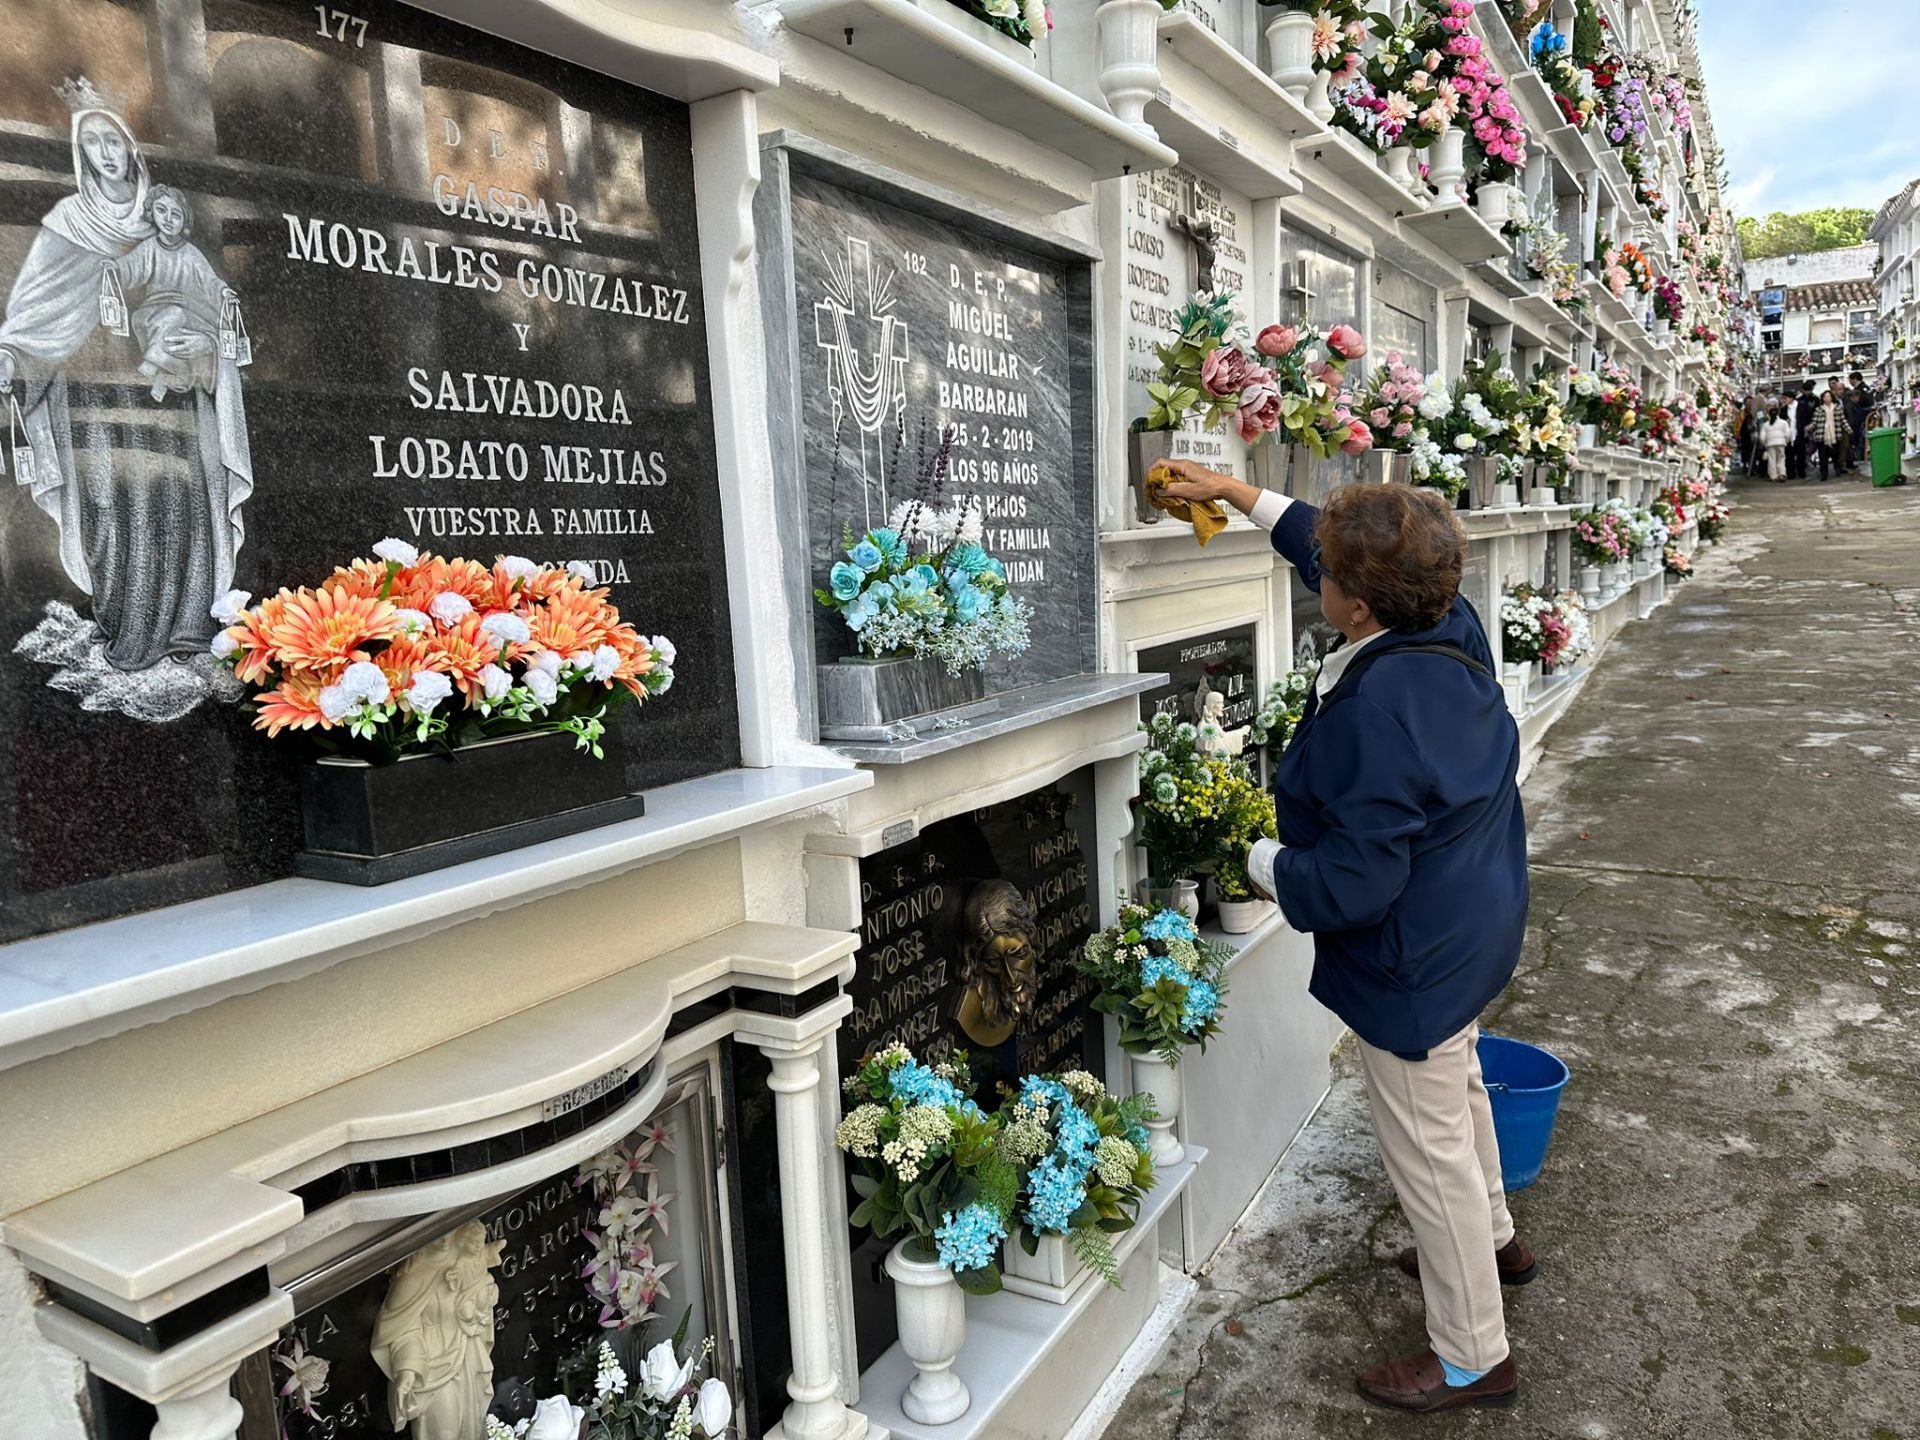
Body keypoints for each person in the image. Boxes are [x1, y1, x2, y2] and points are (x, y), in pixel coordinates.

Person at [1159, 460, 1531, 1415]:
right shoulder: (1448, 623)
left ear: (1356, 606)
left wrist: (1254, 859)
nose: (1312, 572)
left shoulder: (1376, 712)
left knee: (1428, 1150)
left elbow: (1353, 889)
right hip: (1473, 926)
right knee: (1463, 1084)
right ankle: (1494, 1238)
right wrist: (1241, 496)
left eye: (1323, 570)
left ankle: (1471, 1356)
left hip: (1410, 961)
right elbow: (1342, 543)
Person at [0, 87, 254, 676]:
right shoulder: (69, 222)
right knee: (115, 515)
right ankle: (128, 629)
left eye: (113, 139)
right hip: (94, 407)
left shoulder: (167, 231)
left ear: (131, 150)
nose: (105, 152)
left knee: (184, 506)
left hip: (176, 408)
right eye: (92, 143)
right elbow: (39, 311)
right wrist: (14, 354)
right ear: (81, 155)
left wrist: (210, 344)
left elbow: (214, 307)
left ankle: (190, 624)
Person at [1809, 386, 1851, 482]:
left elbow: (1843, 420)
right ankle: (1824, 474)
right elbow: (1814, 422)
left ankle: (1837, 468)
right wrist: (1809, 428)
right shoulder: (1818, 410)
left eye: (1829, 396)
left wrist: (1849, 430)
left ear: (1832, 397)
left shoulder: (1838, 408)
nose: (1827, 398)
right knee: (1823, 456)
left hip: (1835, 434)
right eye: (1825, 397)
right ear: (1822, 399)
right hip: (1822, 435)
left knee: (1835, 454)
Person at [1791, 382, 1817, 480]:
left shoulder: (1815, 399)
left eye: (1809, 390)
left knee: (1813, 446)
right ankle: (1801, 469)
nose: (1807, 392)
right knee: (1800, 450)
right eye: (1805, 390)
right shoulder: (1799, 401)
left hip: (1813, 425)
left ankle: (1808, 462)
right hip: (1800, 428)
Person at [1761, 405, 1792, 481]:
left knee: (1772, 460)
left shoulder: (1765, 424)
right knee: (1781, 459)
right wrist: (1786, 441)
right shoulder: (1784, 423)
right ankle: (1782, 474)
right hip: (1781, 443)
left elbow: (1762, 437)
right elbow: (1788, 434)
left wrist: (1765, 444)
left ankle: (1773, 476)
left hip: (1770, 444)